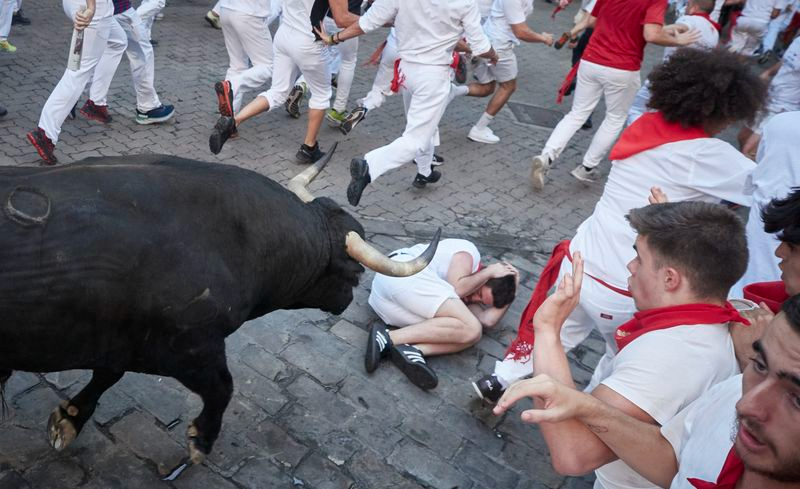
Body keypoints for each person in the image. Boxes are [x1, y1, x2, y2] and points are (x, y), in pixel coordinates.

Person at [472, 48, 764, 404]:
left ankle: (499, 380)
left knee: (557, 332)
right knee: (620, 355)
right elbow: (770, 187)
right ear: (720, 110)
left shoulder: (643, 126)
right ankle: (594, 412)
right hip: (626, 281)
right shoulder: (707, 155)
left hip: (580, 260)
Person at [498, 201, 749, 487]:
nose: (630, 266)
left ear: (670, 278)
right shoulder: (708, 322)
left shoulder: (670, 357)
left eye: (639, 258)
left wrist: (547, 331)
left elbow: (573, 453)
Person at [493, 293, 800, 489]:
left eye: (797, 398)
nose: (746, 405)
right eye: (759, 364)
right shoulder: (734, 391)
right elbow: (675, 458)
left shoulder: (678, 352)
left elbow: (573, 456)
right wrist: (588, 408)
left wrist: (547, 331)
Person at [324, 0, 497, 206]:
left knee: (422, 127)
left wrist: (334, 38)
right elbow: (481, 46)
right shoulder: (464, 3)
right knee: (414, 139)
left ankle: (425, 171)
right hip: (432, 75)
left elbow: (368, 22)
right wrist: (494, 55)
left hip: (407, 70)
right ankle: (369, 165)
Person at [528, 0, 701, 189]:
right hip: (622, 67)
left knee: (577, 114)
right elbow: (650, 34)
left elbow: (592, 20)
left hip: (591, 60)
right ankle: (587, 167)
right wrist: (678, 40)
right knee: (614, 118)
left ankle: (547, 155)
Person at [208, 0, 359, 164]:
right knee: (322, 94)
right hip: (309, 40)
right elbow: (341, 18)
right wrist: (378, 19)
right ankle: (309, 147)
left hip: (284, 35)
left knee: (277, 92)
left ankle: (234, 122)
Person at [366, 239, 518, 389]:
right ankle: (389, 337)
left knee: (472, 334)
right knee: (472, 327)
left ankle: (414, 350)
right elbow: (456, 289)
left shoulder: (469, 292)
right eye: (479, 293)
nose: (475, 298)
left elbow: (487, 320)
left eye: (482, 301)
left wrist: (513, 292)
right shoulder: (467, 253)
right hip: (401, 272)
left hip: (388, 305)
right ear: (486, 275)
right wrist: (489, 271)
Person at [27, 0, 113, 165]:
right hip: (93, 7)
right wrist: (92, 7)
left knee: (119, 40)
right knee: (78, 71)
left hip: (89, 6)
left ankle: (96, 102)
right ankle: (46, 133)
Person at [463, 0, 554, 144]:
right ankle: (479, 129)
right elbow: (521, 32)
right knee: (508, 86)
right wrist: (544, 38)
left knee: (488, 88)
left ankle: (451, 91)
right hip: (499, 45)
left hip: (486, 39)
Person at [730, 115, 800, 298]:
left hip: (770, 219)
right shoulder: (781, 123)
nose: (780, 252)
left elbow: (759, 173)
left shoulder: (781, 123)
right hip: (774, 217)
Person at [626, 0, 720, 125]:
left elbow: (679, 28)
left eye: (688, 5)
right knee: (665, 119)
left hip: (666, 77)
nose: (686, 8)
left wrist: (655, 27)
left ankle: (636, 139)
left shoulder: (689, 20)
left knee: (636, 110)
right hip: (690, 84)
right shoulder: (714, 31)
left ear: (694, 8)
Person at [82, 0, 175, 125]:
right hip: (117, 9)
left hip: (104, 9)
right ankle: (147, 107)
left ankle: (77, 99)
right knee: (139, 51)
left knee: (102, 52)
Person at [737, 36, 800, 157]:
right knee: (742, 137)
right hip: (768, 98)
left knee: (750, 149)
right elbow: (785, 61)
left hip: (785, 107)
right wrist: (768, 72)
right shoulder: (798, 40)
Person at [213, 0, 274, 118]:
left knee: (237, 66)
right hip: (250, 12)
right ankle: (231, 87)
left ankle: (226, 120)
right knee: (268, 66)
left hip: (226, 9)